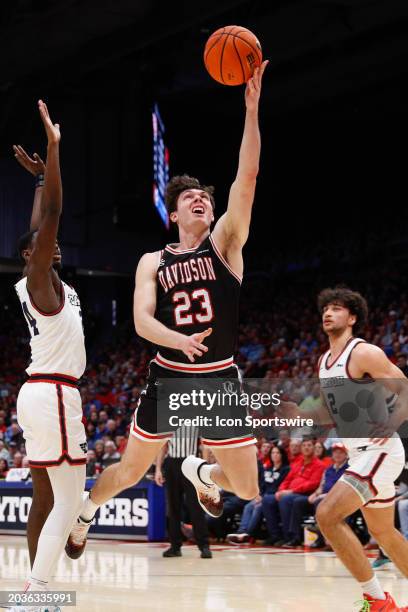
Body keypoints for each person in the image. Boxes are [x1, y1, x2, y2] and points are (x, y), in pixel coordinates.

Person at [65, 61, 269, 559]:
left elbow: (247, 174)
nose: (200, 199)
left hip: (219, 375)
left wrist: (251, 110)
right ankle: (88, 508)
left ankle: (200, 470)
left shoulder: (226, 243)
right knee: (132, 470)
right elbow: (140, 319)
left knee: (247, 488)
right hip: (170, 376)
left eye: (205, 197)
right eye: (190, 198)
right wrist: (177, 339)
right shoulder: (151, 260)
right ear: (174, 214)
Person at [286, 287, 408, 610]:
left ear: (352, 318)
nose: (328, 312)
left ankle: (378, 601)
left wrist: (392, 423)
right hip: (361, 454)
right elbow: (329, 414)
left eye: (337, 308)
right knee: (383, 531)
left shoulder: (364, 353)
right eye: (326, 308)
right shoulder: (324, 362)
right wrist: (301, 415)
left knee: (326, 515)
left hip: (380, 451)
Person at [12, 101, 87, 606]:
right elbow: (54, 218)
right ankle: (36, 593)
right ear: (28, 256)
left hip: (38, 394)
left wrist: (38, 181)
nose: (52, 245)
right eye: (41, 244)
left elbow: (43, 221)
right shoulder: (37, 279)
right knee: (69, 499)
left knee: (46, 498)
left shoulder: (46, 280)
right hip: (54, 396)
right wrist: (56, 151)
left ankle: (36, 589)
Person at [155, 426, 211, 558]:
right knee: (173, 507)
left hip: (191, 462)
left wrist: (204, 466)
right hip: (171, 464)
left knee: (195, 506)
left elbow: (204, 444)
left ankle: (204, 546)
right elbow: (163, 445)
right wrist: (158, 468)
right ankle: (175, 546)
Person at [227, 444, 290, 544]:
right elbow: (262, 485)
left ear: (282, 455)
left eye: (278, 453)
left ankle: (248, 534)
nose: (275, 455)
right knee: (248, 506)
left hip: (274, 497)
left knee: (258, 507)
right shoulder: (267, 469)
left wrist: (264, 497)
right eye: (273, 453)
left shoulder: (286, 469)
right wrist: (258, 495)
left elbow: (281, 486)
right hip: (263, 496)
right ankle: (241, 531)